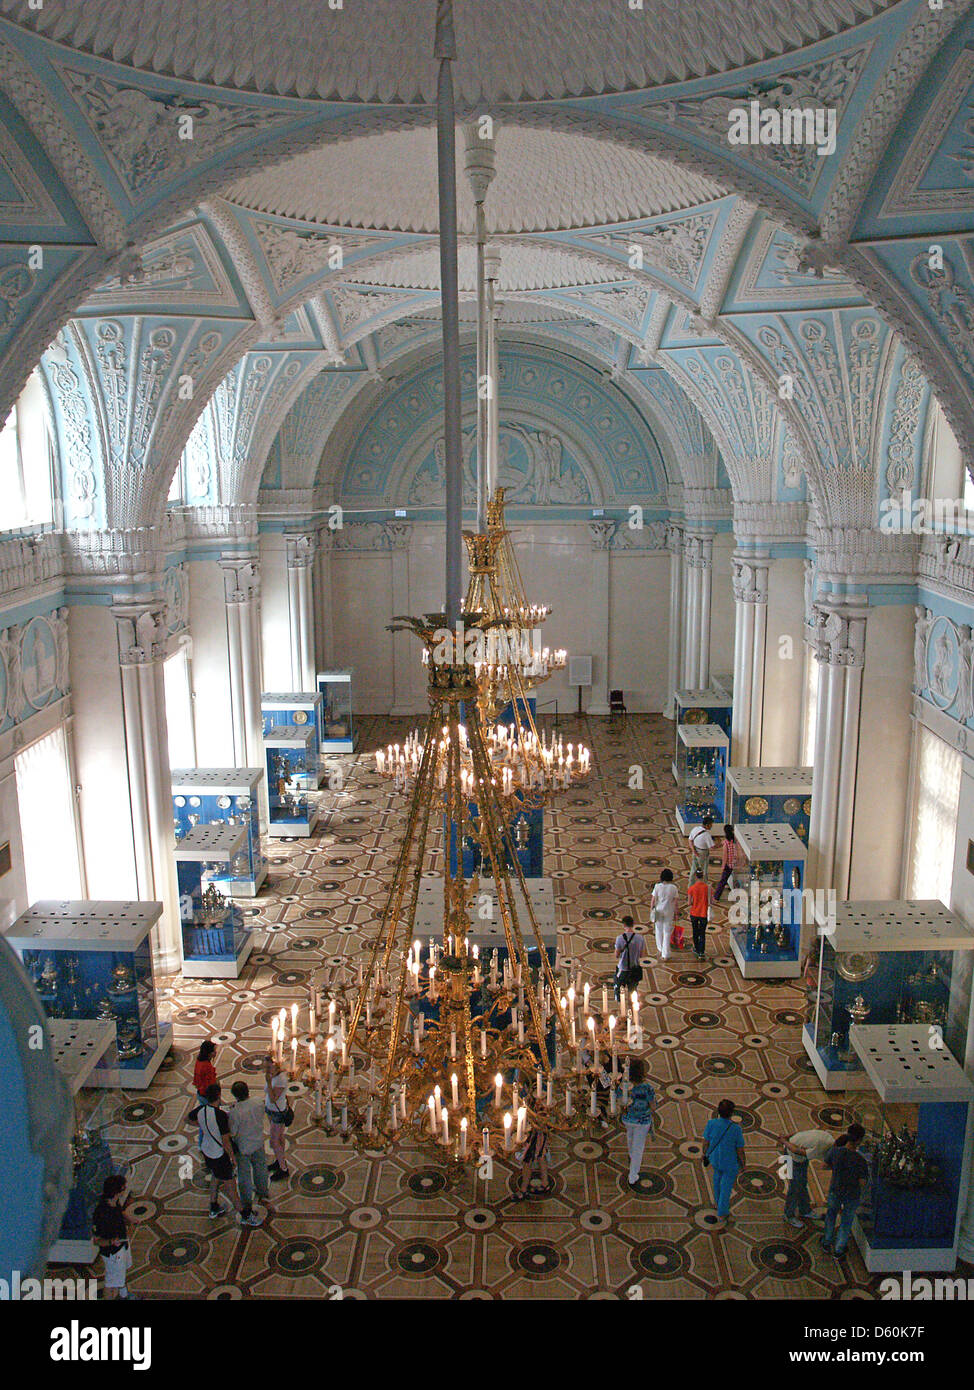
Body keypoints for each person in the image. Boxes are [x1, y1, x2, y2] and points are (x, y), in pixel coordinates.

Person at [192, 1082, 263, 1225]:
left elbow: (187, 1119)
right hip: (219, 1155)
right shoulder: (220, 1115)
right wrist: (233, 1158)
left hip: (207, 1151)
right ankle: (245, 1215)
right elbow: (226, 1141)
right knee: (231, 1187)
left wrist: (205, 1127)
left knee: (215, 1177)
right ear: (218, 1095)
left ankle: (213, 1206)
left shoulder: (201, 1110)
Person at [821, 1123, 869, 1258]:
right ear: (859, 1140)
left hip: (835, 1190)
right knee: (846, 1221)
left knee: (831, 1215)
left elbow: (824, 1165)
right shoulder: (860, 1160)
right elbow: (863, 1182)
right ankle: (839, 1249)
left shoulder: (836, 1152)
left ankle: (826, 1241)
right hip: (852, 1195)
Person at [229, 1080, 271, 1222]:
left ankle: (247, 1202)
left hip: (243, 1147)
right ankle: (263, 1191)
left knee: (244, 1175)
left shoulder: (236, 1111)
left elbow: (233, 1132)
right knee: (260, 1167)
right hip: (258, 1141)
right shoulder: (258, 1101)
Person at [92, 1174, 136, 1300]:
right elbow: (97, 1240)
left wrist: (128, 1217)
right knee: (111, 1282)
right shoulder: (101, 1213)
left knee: (121, 1274)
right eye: (123, 1188)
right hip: (112, 1253)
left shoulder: (113, 1202)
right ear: (117, 1191)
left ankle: (124, 1295)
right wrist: (111, 1242)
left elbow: (119, 1211)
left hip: (122, 1245)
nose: (124, 1190)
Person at [778, 1127, 834, 1228]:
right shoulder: (819, 1148)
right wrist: (784, 1140)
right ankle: (788, 1215)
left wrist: (788, 1136)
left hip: (800, 1158)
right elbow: (795, 1150)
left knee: (801, 1183)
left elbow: (803, 1132)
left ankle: (805, 1209)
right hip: (791, 1156)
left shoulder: (829, 1139)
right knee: (795, 1187)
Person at [702, 1099, 746, 1227]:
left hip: (715, 1158)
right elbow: (740, 1150)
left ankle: (716, 1202)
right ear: (731, 1113)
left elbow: (706, 1142)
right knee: (726, 1186)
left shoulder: (711, 1123)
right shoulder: (736, 1129)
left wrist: (704, 1153)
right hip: (730, 1161)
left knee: (717, 1178)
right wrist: (744, 1163)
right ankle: (722, 1212)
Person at [622, 1057, 656, 1188]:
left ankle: (632, 1157)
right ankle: (633, 1174)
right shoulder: (647, 1088)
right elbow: (653, 1105)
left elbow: (619, 1100)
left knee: (630, 1138)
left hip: (628, 1119)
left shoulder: (624, 1086)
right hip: (642, 1121)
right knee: (639, 1147)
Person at [514, 1104, 552, 1199]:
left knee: (527, 1163)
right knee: (540, 1157)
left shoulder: (539, 1112)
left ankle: (523, 1190)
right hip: (538, 1136)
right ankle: (545, 1183)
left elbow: (540, 1122)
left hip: (534, 1138)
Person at [264, 1052, 292, 1181]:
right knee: (279, 1138)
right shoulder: (273, 1076)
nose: (266, 1070)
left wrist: (269, 1083)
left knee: (274, 1141)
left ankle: (283, 1169)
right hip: (271, 1110)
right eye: (265, 1067)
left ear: (276, 1067)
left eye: (269, 1067)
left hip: (277, 1112)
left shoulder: (280, 1079)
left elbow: (274, 1098)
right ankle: (279, 1160)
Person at [614, 914, 646, 1000]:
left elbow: (616, 955)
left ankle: (621, 1007)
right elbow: (642, 955)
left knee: (618, 989)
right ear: (633, 924)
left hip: (623, 969)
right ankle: (633, 1009)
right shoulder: (640, 938)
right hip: (634, 969)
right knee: (633, 992)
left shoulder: (619, 938)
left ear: (624, 925)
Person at [650, 869, 679, 962]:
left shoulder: (657, 886)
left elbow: (653, 900)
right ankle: (665, 954)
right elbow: (675, 902)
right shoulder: (673, 888)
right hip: (669, 911)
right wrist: (676, 913)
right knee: (667, 932)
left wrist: (651, 910)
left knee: (658, 930)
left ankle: (660, 948)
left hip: (658, 911)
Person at [712, 825, 741, 902]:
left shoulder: (726, 843)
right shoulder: (735, 840)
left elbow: (725, 856)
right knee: (733, 878)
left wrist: (723, 866)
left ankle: (716, 897)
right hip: (736, 863)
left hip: (729, 865)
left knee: (722, 881)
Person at [688, 874, 710, 960]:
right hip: (703, 913)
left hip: (694, 913)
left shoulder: (691, 888)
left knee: (695, 931)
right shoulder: (708, 888)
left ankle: (696, 948)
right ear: (703, 877)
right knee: (702, 933)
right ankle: (702, 952)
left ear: (695, 877)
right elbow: (712, 901)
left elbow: (689, 903)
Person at [688, 817, 715, 882]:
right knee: (704, 869)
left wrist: (694, 851)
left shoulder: (695, 829)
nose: (711, 826)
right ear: (707, 825)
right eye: (711, 825)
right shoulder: (707, 835)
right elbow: (712, 847)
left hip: (695, 851)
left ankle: (691, 884)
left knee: (694, 868)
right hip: (703, 853)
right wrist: (722, 844)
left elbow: (690, 840)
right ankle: (704, 884)